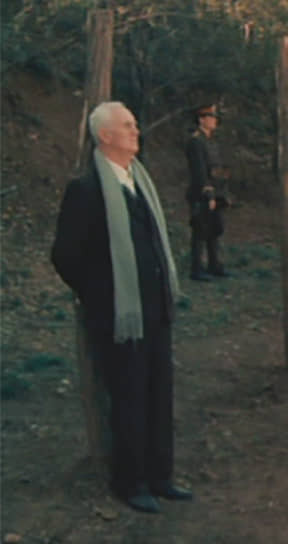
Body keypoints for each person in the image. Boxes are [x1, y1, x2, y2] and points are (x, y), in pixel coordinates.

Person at [51, 101, 191, 513]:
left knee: (159, 393)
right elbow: (65, 256)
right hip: (120, 316)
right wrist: (102, 294)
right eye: (127, 126)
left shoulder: (139, 181)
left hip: (156, 310)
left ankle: (161, 476)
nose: (136, 130)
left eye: (134, 124)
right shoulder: (86, 190)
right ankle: (131, 483)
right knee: (129, 397)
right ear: (105, 136)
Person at [185, 104, 231, 281]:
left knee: (214, 230)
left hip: (216, 190)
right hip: (201, 193)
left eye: (214, 118)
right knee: (200, 230)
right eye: (210, 117)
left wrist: (222, 191)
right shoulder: (196, 142)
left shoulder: (210, 141)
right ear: (201, 120)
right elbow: (199, 171)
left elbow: (216, 168)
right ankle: (196, 269)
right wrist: (208, 194)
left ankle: (214, 265)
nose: (214, 121)